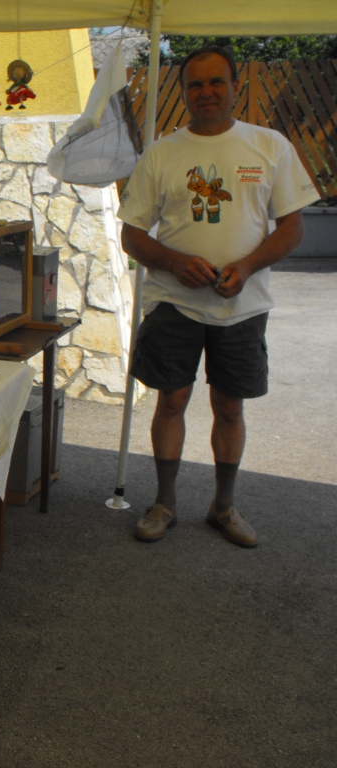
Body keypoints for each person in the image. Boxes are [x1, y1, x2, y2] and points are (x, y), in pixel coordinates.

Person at [117, 46, 319, 548]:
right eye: (195, 84)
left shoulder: (269, 146)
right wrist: (174, 262)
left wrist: (247, 267)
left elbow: (292, 227)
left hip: (242, 306)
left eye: (216, 82)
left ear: (234, 87)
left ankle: (223, 506)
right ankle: (164, 503)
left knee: (229, 406)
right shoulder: (162, 153)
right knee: (172, 400)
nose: (206, 92)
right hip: (173, 303)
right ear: (184, 91)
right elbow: (132, 235)